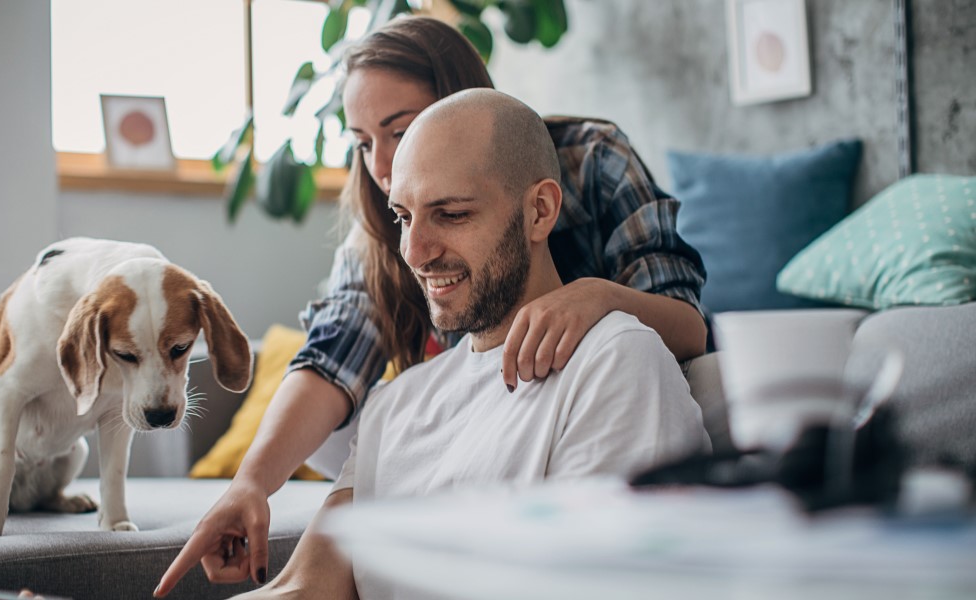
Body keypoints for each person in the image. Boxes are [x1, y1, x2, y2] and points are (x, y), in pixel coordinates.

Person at [154, 15, 707, 598]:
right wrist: (252, 483)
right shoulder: (396, 403)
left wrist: (602, 298)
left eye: (452, 212)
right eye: (403, 214)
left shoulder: (617, 345)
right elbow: (332, 357)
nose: (413, 250)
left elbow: (684, 322)